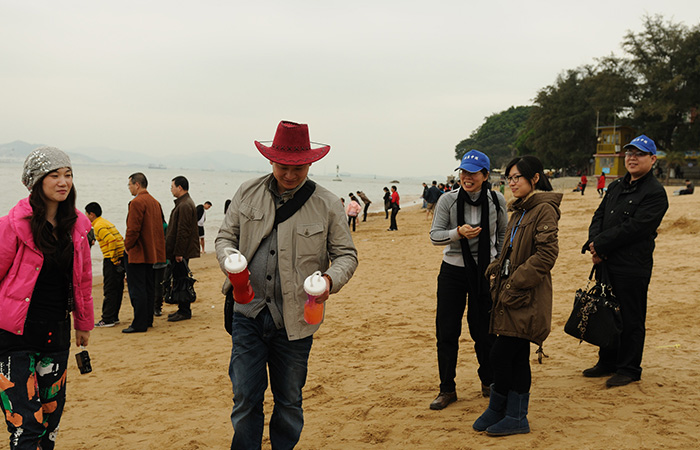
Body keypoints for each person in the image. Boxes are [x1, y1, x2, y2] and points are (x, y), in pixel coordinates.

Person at [215, 120, 358, 449]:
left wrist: (328, 280)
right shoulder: (247, 192)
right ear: (271, 161)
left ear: (310, 163)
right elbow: (225, 237)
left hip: (296, 320)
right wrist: (229, 261)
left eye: (298, 167)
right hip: (246, 312)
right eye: (283, 167)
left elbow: (346, 255)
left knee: (289, 401)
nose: (290, 175)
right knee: (245, 397)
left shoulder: (326, 203)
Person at [0, 147, 93, 449]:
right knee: (25, 425)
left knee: (49, 425)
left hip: (57, 335)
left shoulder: (77, 227)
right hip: (14, 336)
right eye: (54, 175)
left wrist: (83, 322)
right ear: (36, 182)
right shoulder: (12, 225)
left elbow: (81, 281)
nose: (63, 181)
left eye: (68, 175)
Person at [473, 155, 561, 436]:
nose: (511, 183)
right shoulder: (519, 210)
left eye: (516, 178)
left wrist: (514, 283)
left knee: (501, 353)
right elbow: (509, 250)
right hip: (509, 294)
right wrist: (496, 269)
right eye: (508, 178)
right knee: (516, 355)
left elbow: (546, 256)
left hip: (526, 296)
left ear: (534, 178)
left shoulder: (543, 209)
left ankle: (511, 413)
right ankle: (507, 412)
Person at [581, 134, 668, 388]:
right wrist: (593, 243)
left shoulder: (655, 193)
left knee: (631, 318)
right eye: (629, 153)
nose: (632, 158)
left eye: (639, 154)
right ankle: (607, 361)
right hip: (605, 262)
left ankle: (629, 368)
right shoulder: (616, 186)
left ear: (652, 159)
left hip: (632, 266)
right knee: (606, 311)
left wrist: (602, 244)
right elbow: (599, 215)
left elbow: (636, 228)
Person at [428, 150, 507, 410]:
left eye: (473, 173)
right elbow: (435, 236)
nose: (466, 177)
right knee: (447, 331)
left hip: (486, 272)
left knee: (484, 330)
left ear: (485, 175)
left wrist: (499, 266)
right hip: (453, 271)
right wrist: (457, 233)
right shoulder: (447, 200)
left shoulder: (497, 201)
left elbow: (503, 237)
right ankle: (447, 389)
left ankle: (489, 381)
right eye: (463, 172)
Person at [123, 173, 166, 333]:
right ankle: (148, 319)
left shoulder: (136, 202)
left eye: (130, 185)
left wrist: (127, 245)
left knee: (137, 288)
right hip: (151, 251)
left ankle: (139, 323)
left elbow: (133, 228)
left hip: (138, 251)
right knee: (148, 286)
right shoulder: (155, 202)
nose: (129, 188)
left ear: (137, 184)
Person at [166, 176, 201, 322]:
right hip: (180, 250)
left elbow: (183, 231)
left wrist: (179, 252)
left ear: (180, 187)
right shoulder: (183, 203)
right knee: (179, 278)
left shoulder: (185, 204)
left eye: (172, 186)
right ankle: (181, 308)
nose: (171, 189)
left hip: (182, 251)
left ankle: (185, 310)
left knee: (182, 279)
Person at [85, 202, 126, 327]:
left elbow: (111, 240)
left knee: (109, 289)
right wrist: (120, 257)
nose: (85, 216)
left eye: (86, 213)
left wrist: (114, 260)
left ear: (91, 214)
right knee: (117, 288)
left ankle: (107, 319)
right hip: (120, 256)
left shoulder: (98, 226)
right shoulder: (105, 222)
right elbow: (119, 238)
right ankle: (114, 316)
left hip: (111, 259)